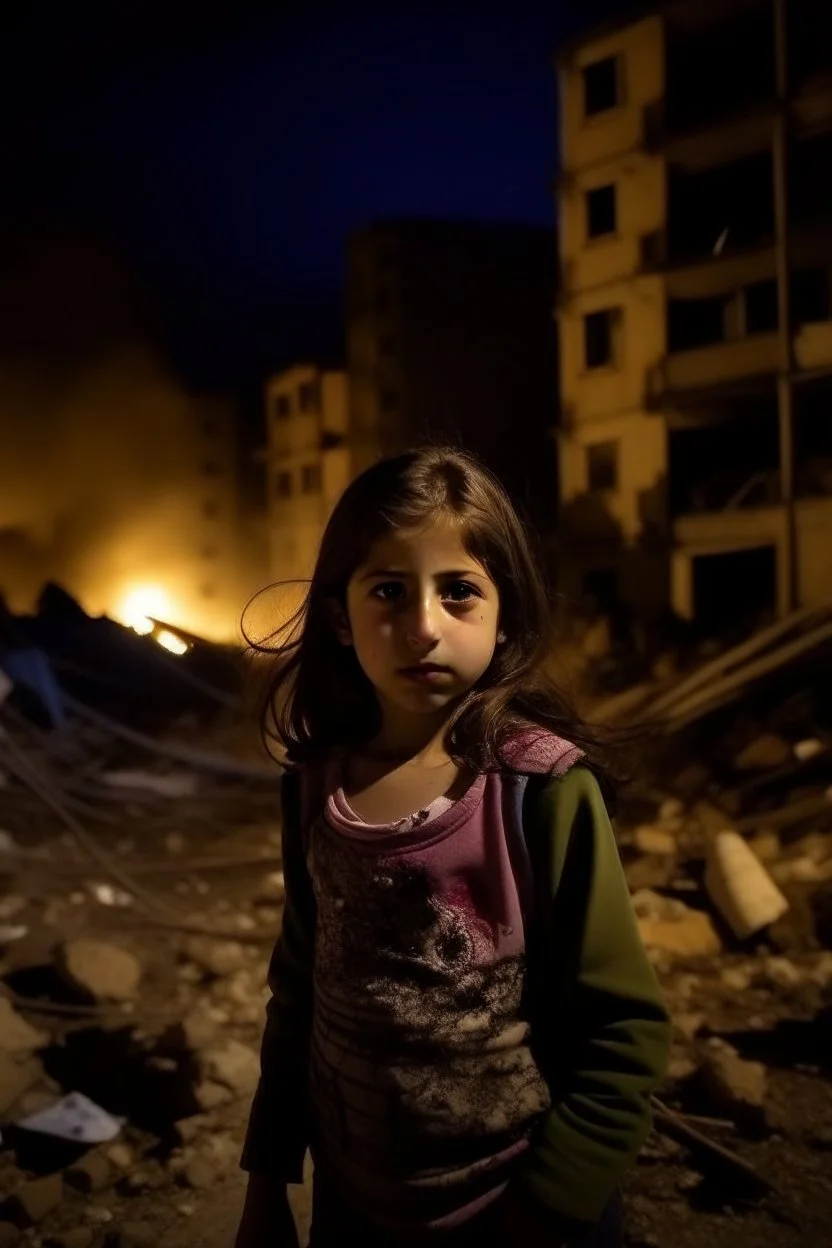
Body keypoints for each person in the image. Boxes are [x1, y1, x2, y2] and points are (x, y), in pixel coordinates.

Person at [235, 446, 671, 1248]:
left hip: (518, 1214)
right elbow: (297, 995)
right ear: (340, 615)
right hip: (353, 1209)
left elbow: (624, 1032)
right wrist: (267, 1182)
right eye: (390, 592)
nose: (423, 627)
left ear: (504, 615)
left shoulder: (538, 790)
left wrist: (549, 1207)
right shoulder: (313, 790)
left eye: (460, 591)